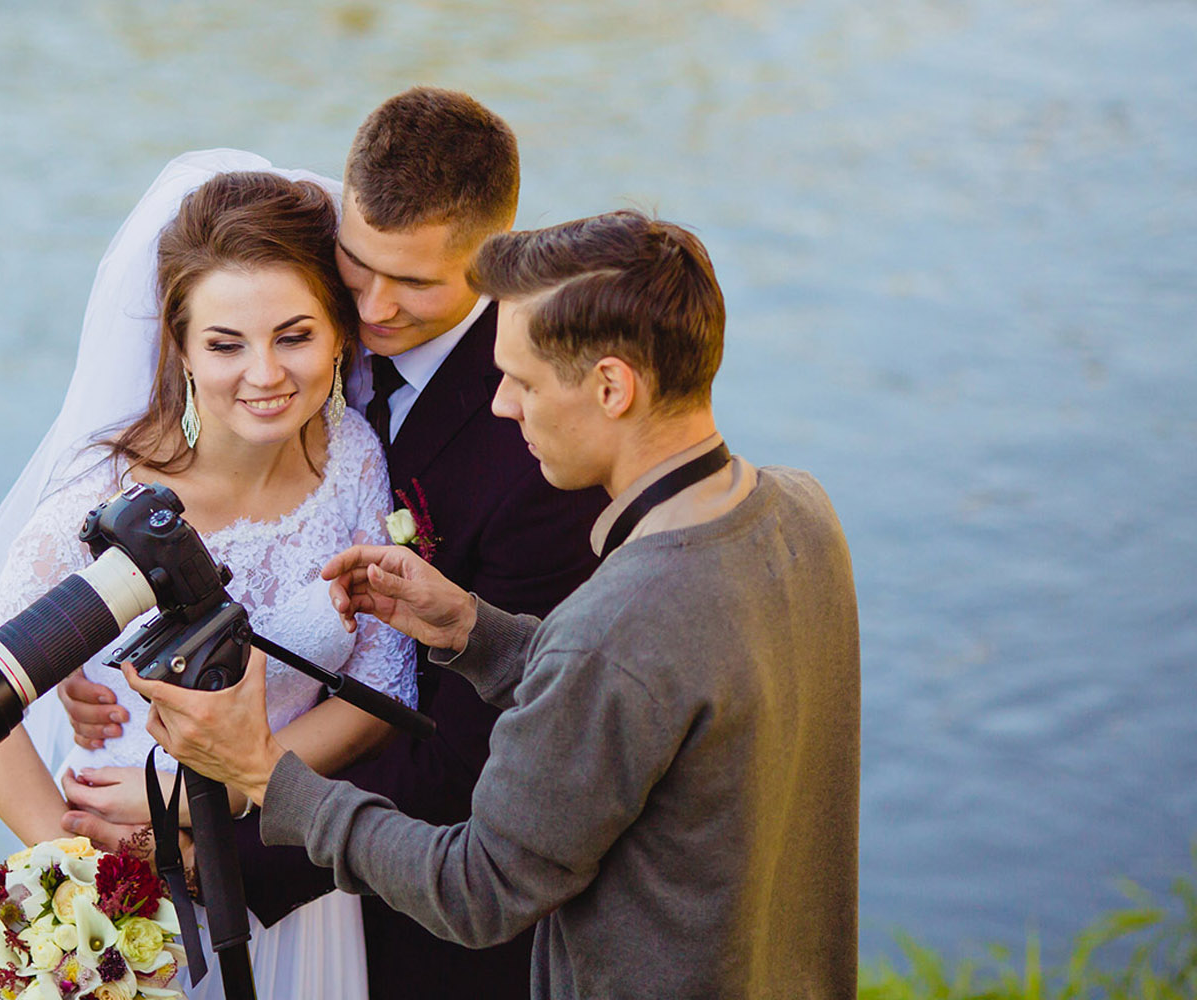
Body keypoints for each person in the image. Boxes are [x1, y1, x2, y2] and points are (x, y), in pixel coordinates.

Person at [119, 211, 863, 999]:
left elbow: (476, 891)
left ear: (612, 387)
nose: (503, 406)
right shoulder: (799, 509)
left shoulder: (612, 631)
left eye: (524, 380)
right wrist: (477, 632)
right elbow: (648, 693)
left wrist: (268, 774)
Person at [57, 87, 609, 1000]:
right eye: (357, 266)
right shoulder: (296, 322)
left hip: (396, 910)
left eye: (419, 284)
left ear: (496, 260)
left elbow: (472, 753)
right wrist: (95, 649)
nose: (377, 309)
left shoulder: (539, 453)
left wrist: (202, 832)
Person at [0, 156, 418, 1000]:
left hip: (289, 875)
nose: (264, 375)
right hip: (135, 889)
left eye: (293, 335)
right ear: (181, 349)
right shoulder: (109, 499)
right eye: (225, 344)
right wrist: (77, 880)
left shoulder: (360, 466)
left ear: (339, 332)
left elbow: (374, 694)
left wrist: (215, 792)